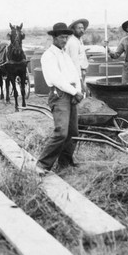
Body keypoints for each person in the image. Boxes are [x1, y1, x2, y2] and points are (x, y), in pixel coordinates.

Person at [36, 22, 84, 174]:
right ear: (54, 38)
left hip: (71, 94)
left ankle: (65, 163)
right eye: (62, 37)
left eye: (67, 37)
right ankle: (42, 165)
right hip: (60, 94)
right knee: (61, 132)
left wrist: (78, 90)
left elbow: (75, 74)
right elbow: (56, 79)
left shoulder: (65, 55)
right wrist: (74, 92)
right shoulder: (48, 56)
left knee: (73, 132)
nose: (64, 40)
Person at [65, 18, 89, 93]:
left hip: (82, 71)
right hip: (76, 73)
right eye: (79, 28)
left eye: (82, 28)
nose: (81, 30)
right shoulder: (73, 42)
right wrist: (79, 79)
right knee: (79, 92)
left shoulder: (79, 40)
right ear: (73, 30)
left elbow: (80, 56)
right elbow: (74, 61)